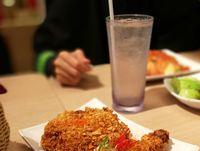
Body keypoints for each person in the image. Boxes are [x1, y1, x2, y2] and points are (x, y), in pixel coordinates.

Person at [33, 0, 200, 86]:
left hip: (163, 96)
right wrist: (54, 64)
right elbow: (40, 54)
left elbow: (186, 48)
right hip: (90, 91)